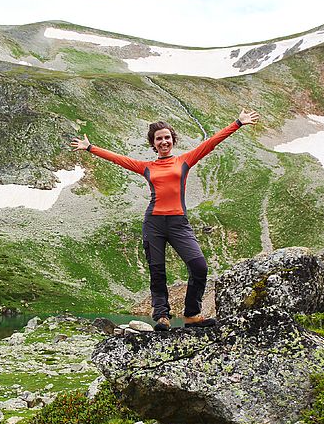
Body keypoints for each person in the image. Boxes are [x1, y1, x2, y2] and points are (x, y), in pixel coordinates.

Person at [71, 108, 260, 331]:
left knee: (199, 266)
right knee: (157, 271)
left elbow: (210, 144)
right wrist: (90, 148)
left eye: (167, 138)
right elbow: (119, 159)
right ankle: (162, 316)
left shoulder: (184, 161)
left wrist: (237, 123)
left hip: (179, 222)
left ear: (173, 140)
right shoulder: (147, 167)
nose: (163, 142)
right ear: (153, 143)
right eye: (159, 139)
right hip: (154, 223)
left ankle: (191, 314)